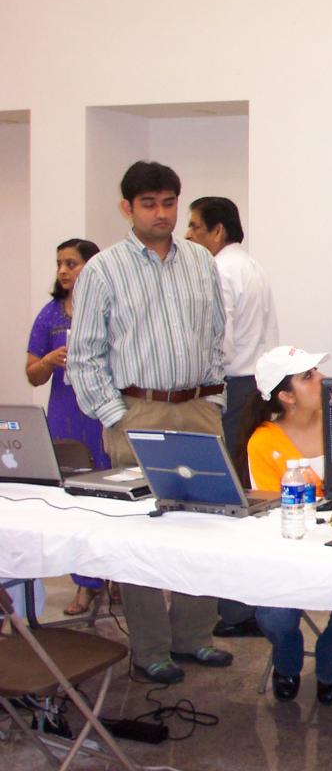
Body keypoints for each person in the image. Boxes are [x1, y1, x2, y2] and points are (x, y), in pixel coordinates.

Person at [69, 160, 231, 685]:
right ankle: (151, 648)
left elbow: (215, 335)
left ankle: (194, 636)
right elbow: (84, 355)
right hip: (137, 410)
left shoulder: (201, 261)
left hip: (197, 407)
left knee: (206, 525)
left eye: (168, 203)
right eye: (149, 204)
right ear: (127, 208)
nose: (161, 214)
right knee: (142, 530)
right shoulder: (103, 270)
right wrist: (115, 416)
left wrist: (215, 398)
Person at [242, 345, 332, 706]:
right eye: (308, 376)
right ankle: (287, 659)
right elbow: (272, 509)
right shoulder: (264, 441)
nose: (322, 379)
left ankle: (330, 662)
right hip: (291, 551)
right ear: (286, 396)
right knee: (273, 616)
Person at [186, 195, 278, 639]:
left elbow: (217, 339)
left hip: (231, 386)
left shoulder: (219, 269)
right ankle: (250, 605)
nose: (188, 235)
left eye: (194, 226)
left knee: (227, 499)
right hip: (257, 385)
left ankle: (236, 609)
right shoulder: (252, 266)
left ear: (217, 231)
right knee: (246, 492)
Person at [25, 238, 112, 616]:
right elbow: (32, 374)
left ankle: (115, 576)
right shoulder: (50, 315)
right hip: (65, 414)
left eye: (71, 263)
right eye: (60, 263)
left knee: (108, 495)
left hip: (103, 413)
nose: (63, 270)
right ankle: (85, 583)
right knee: (72, 499)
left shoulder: (111, 310)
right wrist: (48, 360)